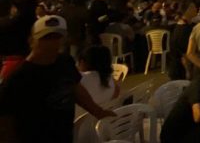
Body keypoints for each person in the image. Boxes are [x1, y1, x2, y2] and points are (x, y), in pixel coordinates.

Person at [0, 15, 114, 143]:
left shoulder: (65, 62)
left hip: (64, 136)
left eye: (57, 37)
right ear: (32, 41)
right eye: (46, 38)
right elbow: (5, 120)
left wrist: (98, 111)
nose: (52, 43)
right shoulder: (18, 77)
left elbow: (75, 88)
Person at [169, 1, 197, 80]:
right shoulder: (182, 30)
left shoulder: (189, 25)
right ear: (187, 10)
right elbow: (185, 56)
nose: (196, 9)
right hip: (181, 71)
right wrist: (189, 73)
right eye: (193, 7)